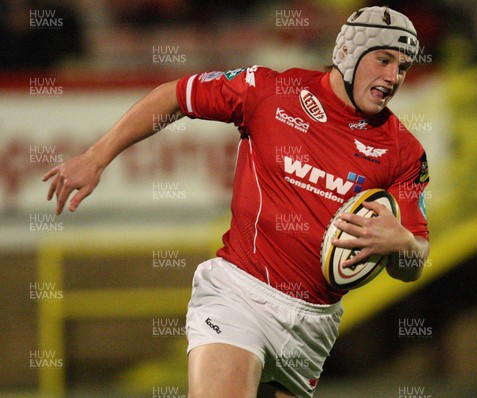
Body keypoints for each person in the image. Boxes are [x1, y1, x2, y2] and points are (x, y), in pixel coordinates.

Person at [43, 6, 430, 398]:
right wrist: (97, 156)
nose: (393, 77)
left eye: (403, 67)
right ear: (347, 52)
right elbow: (176, 96)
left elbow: (413, 265)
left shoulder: (405, 153)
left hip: (315, 325)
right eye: (383, 60)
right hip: (240, 294)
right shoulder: (268, 91)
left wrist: (402, 244)